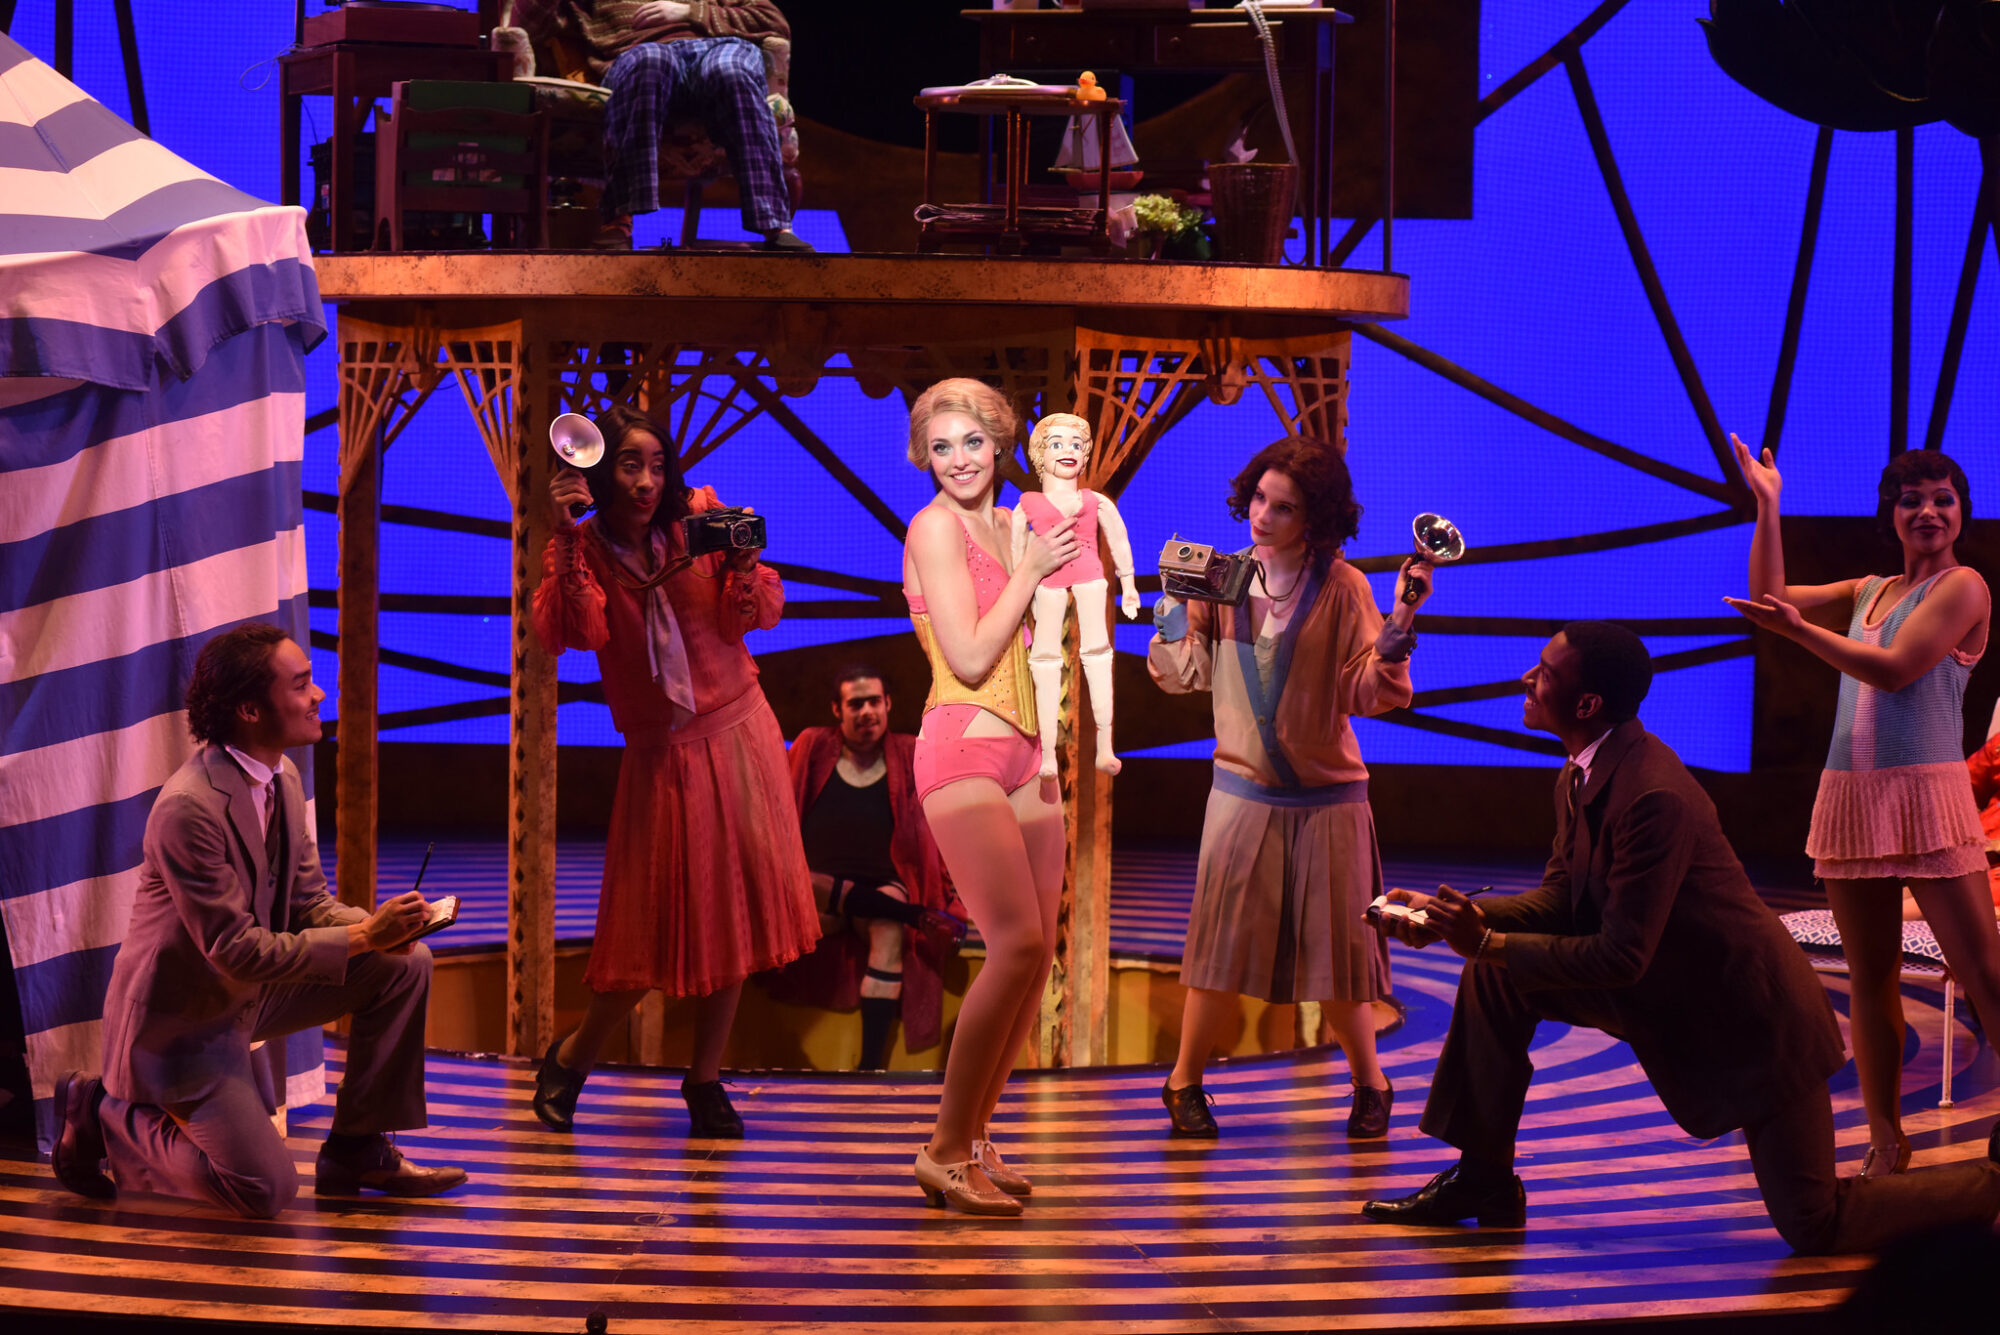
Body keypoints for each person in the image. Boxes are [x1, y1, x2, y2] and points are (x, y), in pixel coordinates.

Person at [1361, 623, 2000, 1255]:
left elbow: (1620, 954)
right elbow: (1563, 897)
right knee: (1496, 979)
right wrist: (1453, 916)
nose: (1527, 679)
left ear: (1586, 705)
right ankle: (1484, 1181)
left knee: (1816, 1224)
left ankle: (1991, 1187)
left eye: (1545, 673)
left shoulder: (1651, 796)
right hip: (1665, 993)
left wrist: (1489, 943)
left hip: (1751, 1023)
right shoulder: (1585, 768)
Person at [49, 624, 466, 1218]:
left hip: (250, 998)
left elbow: (307, 902)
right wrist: (364, 935)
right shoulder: (189, 808)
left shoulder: (283, 778)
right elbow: (234, 950)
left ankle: (355, 1148)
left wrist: (383, 930)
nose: (319, 695)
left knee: (405, 965)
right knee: (263, 1191)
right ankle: (102, 1112)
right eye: (301, 685)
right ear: (249, 710)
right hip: (183, 1027)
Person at [530, 404, 819, 1137]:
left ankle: (705, 1078)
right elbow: (576, 631)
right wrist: (564, 535)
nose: (647, 480)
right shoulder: (585, 549)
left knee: (736, 919)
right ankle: (572, 1057)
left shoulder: (699, 519)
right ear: (600, 470)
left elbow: (750, 619)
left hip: (739, 735)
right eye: (630, 464)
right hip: (662, 755)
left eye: (658, 463)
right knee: (643, 927)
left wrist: (744, 564)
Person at [1727, 439, 2000, 1177]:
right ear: (1892, 512)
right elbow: (1769, 603)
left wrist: (1798, 631)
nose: (1928, 510)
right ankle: (1887, 1139)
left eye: (1943, 498)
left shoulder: (1964, 586)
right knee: (1871, 974)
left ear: (1961, 510)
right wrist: (1768, 505)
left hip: (1927, 797)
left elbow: (1895, 668)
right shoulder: (1869, 588)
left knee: (1986, 974)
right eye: (1912, 499)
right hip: (1852, 797)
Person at [1147, 436, 1426, 1140]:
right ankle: (1183, 1082)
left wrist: (1397, 629)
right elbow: (1188, 676)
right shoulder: (1223, 576)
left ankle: (1372, 1083)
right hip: (1241, 794)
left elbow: (1368, 691)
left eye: (1286, 506)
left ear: (1317, 517)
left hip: (1329, 800)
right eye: (1261, 498)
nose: (1264, 515)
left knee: (1338, 955)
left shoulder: (1344, 586)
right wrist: (1171, 614)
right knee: (1216, 950)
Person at [902, 378, 1079, 1215]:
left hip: (1028, 749)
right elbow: (970, 656)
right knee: (1011, 944)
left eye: (972, 442)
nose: (959, 460)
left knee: (1037, 951)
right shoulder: (934, 527)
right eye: (942, 447)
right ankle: (941, 1148)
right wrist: (1032, 571)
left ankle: (974, 1138)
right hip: (962, 741)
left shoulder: (1016, 523)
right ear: (923, 457)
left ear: (1001, 441)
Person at [777, 665, 965, 1070]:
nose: (867, 712)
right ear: (837, 710)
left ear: (888, 705)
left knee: (887, 928)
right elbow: (779, 818)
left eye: (874, 702)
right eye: (855, 704)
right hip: (817, 891)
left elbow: (935, 825)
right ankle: (916, 916)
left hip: (883, 886)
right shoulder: (812, 747)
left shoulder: (908, 752)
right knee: (806, 882)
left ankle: (869, 1069)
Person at [513, 0, 809, 251]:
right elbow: (525, 22)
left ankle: (774, 226)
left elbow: (774, 21)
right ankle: (619, 220)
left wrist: (689, 12)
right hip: (638, 50)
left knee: (729, 71)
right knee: (649, 64)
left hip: (717, 47)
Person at [1010, 412, 1141, 778]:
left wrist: (1128, 584)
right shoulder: (1027, 506)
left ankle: (1105, 745)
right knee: (1046, 660)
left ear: (1085, 456)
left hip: (1090, 580)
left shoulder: (1095, 501)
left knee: (1098, 654)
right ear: (1041, 455)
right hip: (1047, 585)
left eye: (1076, 445)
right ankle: (1047, 753)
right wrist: (1019, 609)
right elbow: (1016, 557)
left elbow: (1118, 539)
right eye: (1056, 444)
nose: (1068, 451)